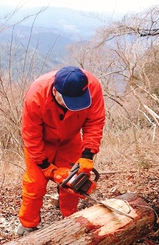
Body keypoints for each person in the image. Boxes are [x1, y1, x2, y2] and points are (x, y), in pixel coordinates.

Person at [17, 66, 105, 235]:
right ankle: (28, 225)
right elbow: (31, 135)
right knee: (35, 185)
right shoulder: (36, 95)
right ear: (56, 92)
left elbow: (95, 122)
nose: (74, 106)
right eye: (70, 102)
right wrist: (45, 166)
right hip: (42, 142)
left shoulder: (91, 86)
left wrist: (87, 155)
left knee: (73, 183)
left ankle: (70, 219)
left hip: (70, 139)